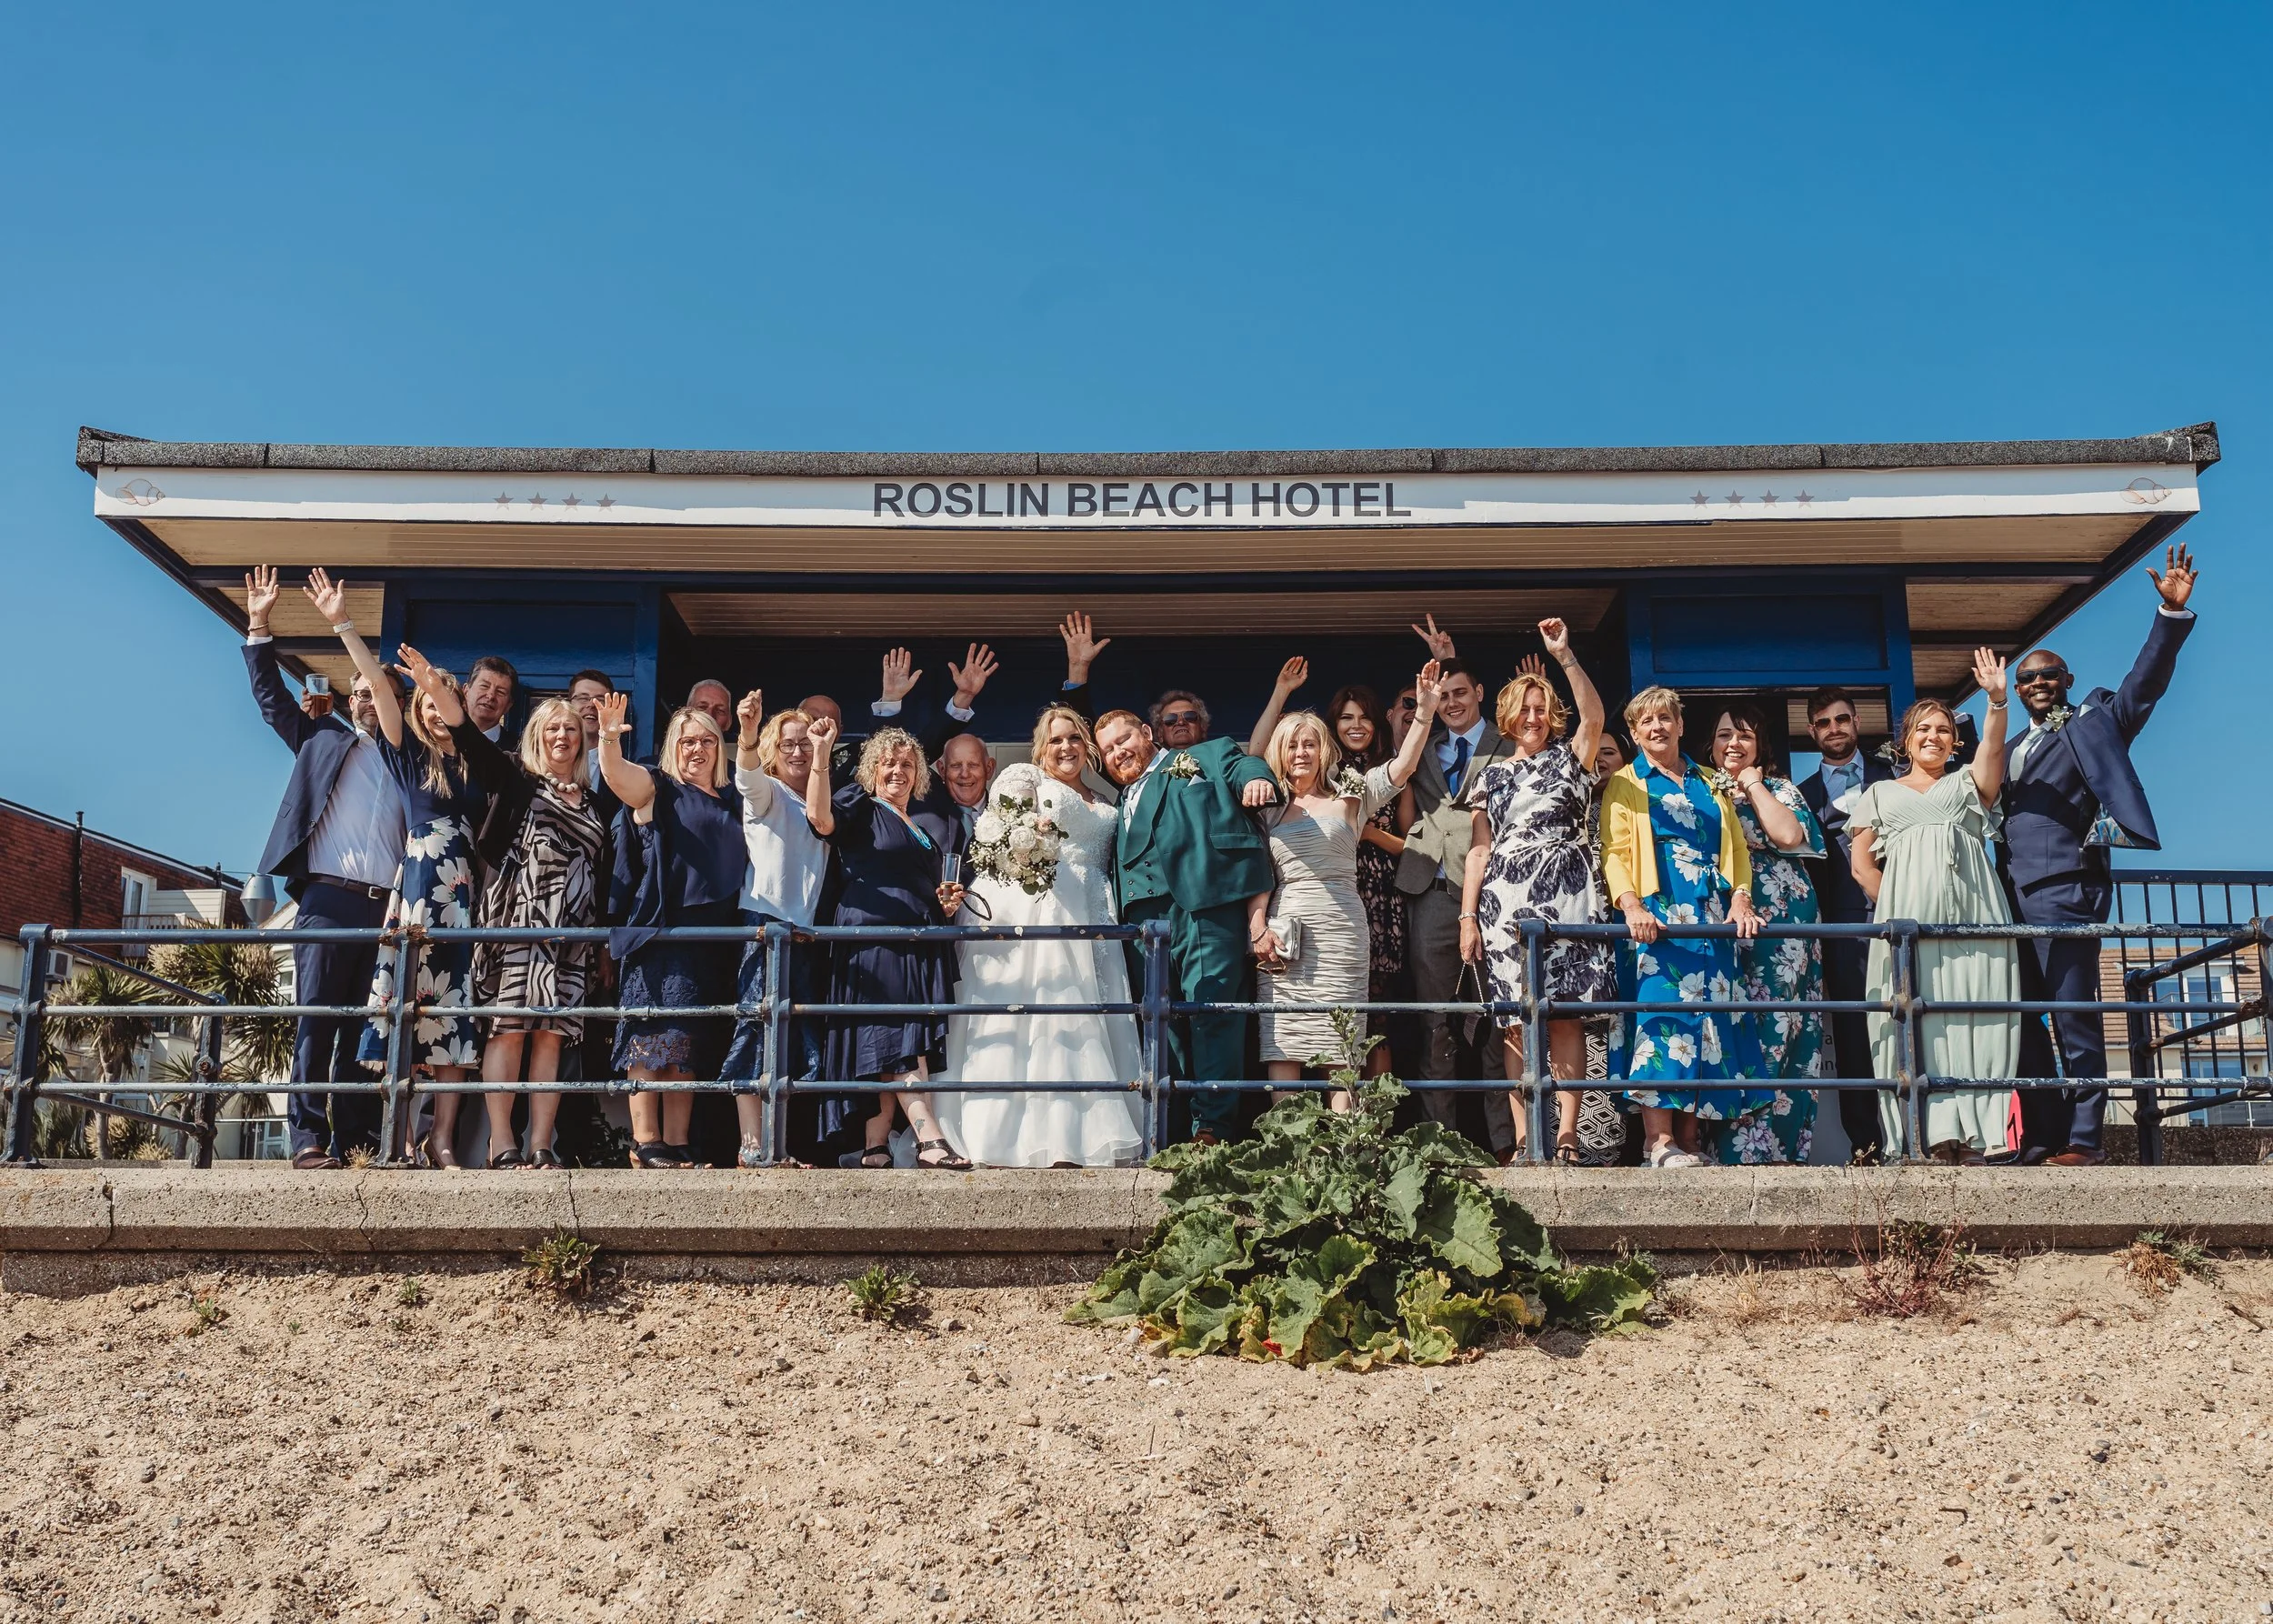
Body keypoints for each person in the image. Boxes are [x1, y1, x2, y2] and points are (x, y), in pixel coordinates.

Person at [2003, 544, 2198, 1166]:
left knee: (2074, 1017)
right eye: (2026, 677)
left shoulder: (2094, 722)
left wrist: (2168, 617)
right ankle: (2042, 1134)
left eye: (2047, 674)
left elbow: (2145, 685)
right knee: (2024, 1024)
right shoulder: (2004, 746)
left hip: (2067, 891)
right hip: (2007, 898)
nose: (2036, 683)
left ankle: (2084, 1140)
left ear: (2068, 681)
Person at [297, 572, 486, 1163]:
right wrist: (342, 624)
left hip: (459, 900)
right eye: (423, 703)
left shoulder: (477, 763)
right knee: (372, 1019)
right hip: (405, 900)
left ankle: (407, 1139)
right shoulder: (405, 758)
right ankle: (343, 1140)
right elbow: (380, 688)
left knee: (434, 1021)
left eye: (441, 702)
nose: (433, 711)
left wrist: (436, 684)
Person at [405, 661, 609, 1169]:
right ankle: (503, 1142)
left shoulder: (596, 804)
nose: (563, 735)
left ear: (582, 745)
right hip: (517, 925)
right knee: (509, 1030)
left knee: (551, 1037)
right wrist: (434, 689)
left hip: (571, 935)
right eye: (553, 728)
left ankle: (542, 1142)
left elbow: (604, 873)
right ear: (538, 737)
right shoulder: (516, 777)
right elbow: (469, 738)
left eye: (570, 730)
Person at [239, 566, 407, 1169]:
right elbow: (270, 701)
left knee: (365, 1032)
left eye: (377, 692)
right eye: (359, 691)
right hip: (327, 903)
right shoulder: (321, 740)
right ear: (348, 699)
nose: (367, 700)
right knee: (316, 1021)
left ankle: (356, 1140)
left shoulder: (410, 763)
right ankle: (308, 1137)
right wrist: (260, 625)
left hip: (385, 911)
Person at [932, 706, 1146, 1166]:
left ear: (1086, 746)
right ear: (1040, 748)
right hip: (1045, 910)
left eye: (1073, 738)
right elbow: (996, 846)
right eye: (1055, 741)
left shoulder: (1107, 797)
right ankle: (1025, 1136)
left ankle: (1081, 1129)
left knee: (1096, 1020)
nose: (1065, 747)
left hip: (1098, 915)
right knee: (1046, 1015)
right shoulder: (1025, 780)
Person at [1457, 619, 1619, 1162]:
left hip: (1567, 893)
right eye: (1523, 709)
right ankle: (1527, 1137)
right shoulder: (1491, 776)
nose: (1532, 717)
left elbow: (1595, 715)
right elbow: (1479, 849)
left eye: (1540, 708)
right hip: (1504, 902)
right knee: (1514, 1022)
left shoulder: (1573, 757)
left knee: (1567, 1016)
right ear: (1506, 717)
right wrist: (1466, 919)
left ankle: (1568, 1135)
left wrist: (1565, 656)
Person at [1851, 651, 2018, 1162]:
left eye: (1943, 729)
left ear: (1954, 739)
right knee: (1910, 1021)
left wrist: (1996, 699)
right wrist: (1901, 907)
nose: (1933, 737)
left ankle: (1975, 1135)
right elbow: (1861, 867)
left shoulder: (1968, 783)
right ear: (1906, 740)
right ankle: (1922, 1135)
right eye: (1923, 729)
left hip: (1974, 919)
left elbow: (1993, 750)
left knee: (1976, 1018)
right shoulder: (1879, 793)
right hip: (1907, 929)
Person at [1250, 663, 1442, 1104]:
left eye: (1310, 743)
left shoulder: (1350, 794)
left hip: (1342, 928)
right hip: (1285, 928)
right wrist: (1257, 926)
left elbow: (1402, 767)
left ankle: (1347, 1156)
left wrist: (1426, 711)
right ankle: (1290, 1156)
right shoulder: (1267, 805)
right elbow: (1258, 874)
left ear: (1324, 750)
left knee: (1342, 1047)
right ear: (1280, 752)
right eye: (1293, 744)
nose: (1301, 751)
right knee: (1284, 1041)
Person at [1094, 700, 1281, 1144]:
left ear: (1146, 732)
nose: (1118, 752)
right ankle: (1170, 1128)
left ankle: (1213, 1127)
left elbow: (1244, 765)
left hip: (1202, 908)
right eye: (1108, 750)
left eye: (1124, 740)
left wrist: (1257, 778)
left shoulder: (1203, 756)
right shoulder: (1121, 797)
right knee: (1162, 1025)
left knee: (1213, 1013)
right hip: (1141, 926)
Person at [1599, 686, 1770, 1168]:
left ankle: (1691, 1143)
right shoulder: (1627, 782)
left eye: (1664, 719)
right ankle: (1658, 1143)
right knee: (1661, 1017)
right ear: (1634, 733)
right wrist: (1630, 905)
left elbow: (1735, 846)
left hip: (1710, 914)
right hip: (1658, 913)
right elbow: (1614, 851)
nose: (1657, 728)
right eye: (1645, 722)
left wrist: (1740, 898)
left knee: (1707, 1021)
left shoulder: (1710, 780)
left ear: (1679, 724)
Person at [802, 718, 972, 1169]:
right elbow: (820, 819)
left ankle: (875, 1144)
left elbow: (915, 879)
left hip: (917, 939)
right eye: (889, 763)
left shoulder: (914, 823)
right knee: (899, 1037)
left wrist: (944, 900)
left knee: (889, 1038)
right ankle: (928, 1137)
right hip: (876, 938)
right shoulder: (861, 805)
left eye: (908, 765)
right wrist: (821, 754)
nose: (899, 771)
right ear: (872, 769)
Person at [596, 690, 746, 1168]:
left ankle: (678, 1144)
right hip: (663, 936)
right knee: (650, 1038)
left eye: (706, 741)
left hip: (712, 942)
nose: (697, 750)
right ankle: (646, 1140)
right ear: (671, 750)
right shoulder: (659, 788)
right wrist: (608, 739)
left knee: (687, 1046)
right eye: (686, 743)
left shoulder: (731, 797)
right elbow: (619, 777)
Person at [1396, 642, 1517, 1155]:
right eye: (1443, 695)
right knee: (1435, 1019)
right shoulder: (1421, 744)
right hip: (1431, 889)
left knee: (1499, 1017)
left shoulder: (1508, 743)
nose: (1452, 702)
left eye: (1460, 693)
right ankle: (1438, 1145)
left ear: (1480, 694)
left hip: (1495, 891)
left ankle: (1506, 1141)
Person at [716, 696, 835, 1167]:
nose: (798, 751)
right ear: (773, 748)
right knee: (755, 1027)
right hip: (764, 925)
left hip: (804, 933)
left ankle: (777, 1146)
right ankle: (751, 1146)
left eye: (806, 743)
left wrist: (823, 756)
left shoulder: (821, 798)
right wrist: (746, 732)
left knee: (789, 1039)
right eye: (788, 743)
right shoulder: (765, 791)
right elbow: (745, 774)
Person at [1709, 700, 1828, 1164]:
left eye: (1744, 735)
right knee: (1727, 1025)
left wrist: (1754, 784)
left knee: (1781, 1025)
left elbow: (1788, 838)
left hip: (1782, 920)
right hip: (1719, 913)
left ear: (1759, 747)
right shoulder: (1698, 787)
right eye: (1724, 735)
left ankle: (1775, 1149)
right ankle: (1723, 1149)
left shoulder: (1778, 787)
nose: (1733, 743)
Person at [1797, 687, 1898, 1162]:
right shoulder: (1802, 797)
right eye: (1824, 723)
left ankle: (1923, 1137)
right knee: (1857, 1037)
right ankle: (1867, 1144)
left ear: (1856, 722)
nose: (1834, 729)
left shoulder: (1895, 776)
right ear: (1812, 731)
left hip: (1902, 915)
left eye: (1842, 720)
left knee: (1911, 1025)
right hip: (1839, 928)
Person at [465, 656, 519, 745]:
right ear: (466, 691)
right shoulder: (441, 740)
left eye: (500, 692)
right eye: (484, 686)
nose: (491, 696)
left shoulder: (520, 752)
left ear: (508, 705)